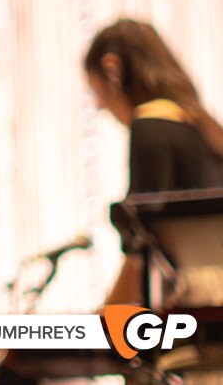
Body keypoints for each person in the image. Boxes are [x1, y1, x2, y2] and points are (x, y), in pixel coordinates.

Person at [85, 18, 223, 307]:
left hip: (202, 311)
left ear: (112, 68)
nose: (99, 105)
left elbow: (142, 250)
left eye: (96, 91)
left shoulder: (150, 126)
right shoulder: (199, 124)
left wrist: (101, 317)